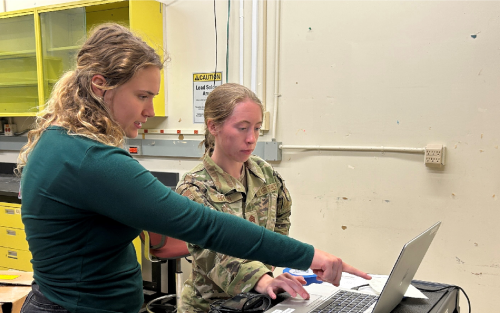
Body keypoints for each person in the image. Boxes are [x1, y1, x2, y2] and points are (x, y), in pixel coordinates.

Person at [16, 23, 370, 313]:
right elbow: (202, 225)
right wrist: (310, 255)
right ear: (100, 85)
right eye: (143, 96)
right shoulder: (89, 159)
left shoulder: (61, 142)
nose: (150, 110)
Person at [176, 83, 315, 313]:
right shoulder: (194, 188)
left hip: (257, 300)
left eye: (257, 128)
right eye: (242, 128)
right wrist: (263, 279)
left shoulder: (264, 173)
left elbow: (281, 216)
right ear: (213, 126)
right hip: (210, 307)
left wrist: (269, 265)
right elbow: (212, 255)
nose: (252, 138)